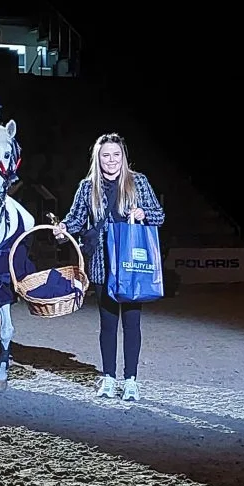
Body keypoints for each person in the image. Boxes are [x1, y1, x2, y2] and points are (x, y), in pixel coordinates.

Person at [53, 133, 165, 401]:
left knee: (132, 324)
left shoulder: (138, 182)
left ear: (123, 157)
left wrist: (143, 213)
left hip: (131, 267)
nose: (111, 160)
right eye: (106, 155)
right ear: (98, 158)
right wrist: (63, 229)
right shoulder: (87, 186)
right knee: (107, 325)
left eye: (116, 155)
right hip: (102, 266)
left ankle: (131, 380)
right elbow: (75, 220)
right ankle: (108, 377)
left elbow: (159, 215)